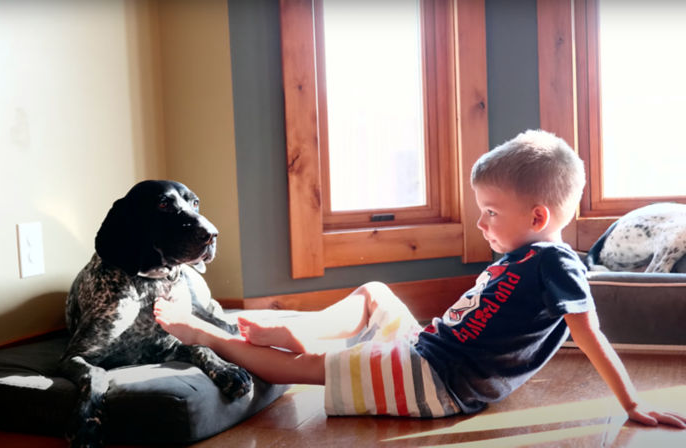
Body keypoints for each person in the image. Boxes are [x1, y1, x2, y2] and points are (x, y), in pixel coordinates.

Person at [154, 129, 686, 428]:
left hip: (440, 382)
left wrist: (631, 402)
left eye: (491, 212)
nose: (480, 223)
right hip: (427, 348)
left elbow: (588, 332)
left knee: (309, 370)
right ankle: (299, 331)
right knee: (375, 292)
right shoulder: (520, 257)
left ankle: (208, 335)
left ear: (538, 217)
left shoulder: (558, 263)